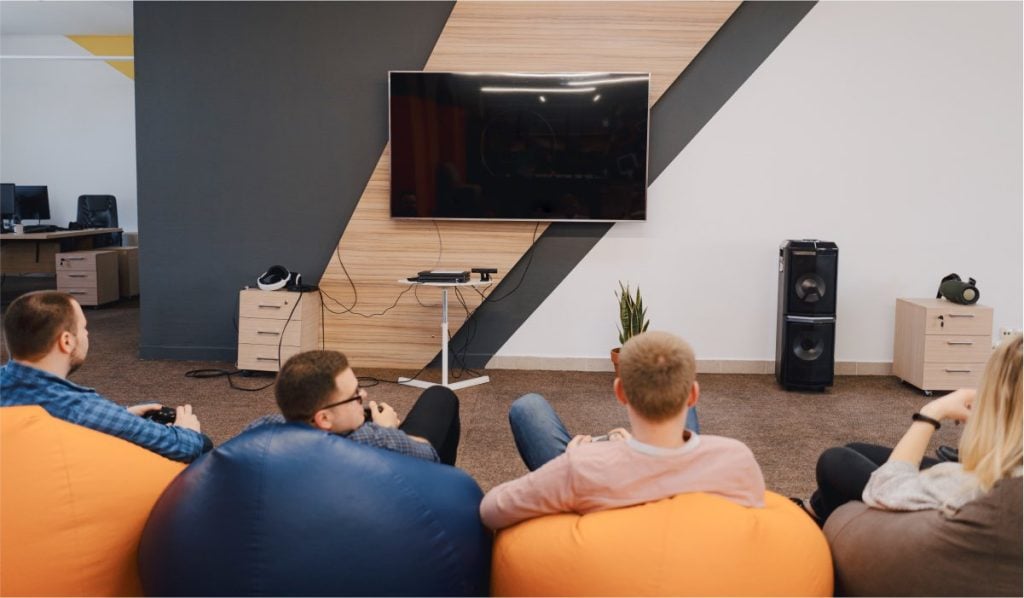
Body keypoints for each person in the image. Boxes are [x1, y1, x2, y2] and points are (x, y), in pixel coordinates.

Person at [480, 330, 765, 530]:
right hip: (690, 488)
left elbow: (491, 509)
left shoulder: (580, 467)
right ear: (694, 394)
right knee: (672, 401)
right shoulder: (736, 457)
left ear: (620, 392)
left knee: (528, 407)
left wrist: (572, 459)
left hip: (595, 486)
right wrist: (627, 447)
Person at [802, 333, 1022, 524]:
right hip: (987, 468)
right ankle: (814, 510)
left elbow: (886, 489)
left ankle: (817, 521)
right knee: (855, 450)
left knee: (835, 461)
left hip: (921, 516)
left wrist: (932, 413)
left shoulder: (975, 487)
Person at [1, 290, 211, 463]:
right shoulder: (78, 407)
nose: (87, 334)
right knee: (204, 446)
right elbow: (186, 447)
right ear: (66, 341)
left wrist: (123, 414)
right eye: (83, 328)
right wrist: (186, 429)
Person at [261, 350, 460, 465]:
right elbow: (426, 453)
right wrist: (388, 430)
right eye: (355, 395)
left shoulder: (263, 431)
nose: (364, 395)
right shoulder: (375, 440)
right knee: (441, 395)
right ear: (324, 418)